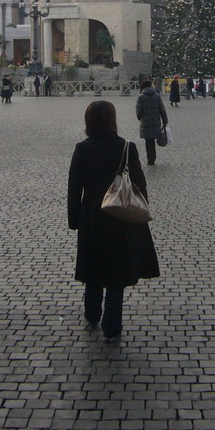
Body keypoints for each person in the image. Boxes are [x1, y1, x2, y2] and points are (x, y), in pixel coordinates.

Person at [67, 100, 159, 340]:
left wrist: (74, 218)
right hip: (119, 215)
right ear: (112, 120)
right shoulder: (126, 147)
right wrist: (140, 208)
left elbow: (74, 187)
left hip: (93, 216)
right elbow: (139, 182)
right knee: (117, 271)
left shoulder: (83, 148)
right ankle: (112, 323)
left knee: (94, 265)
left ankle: (92, 312)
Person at [135, 79, 168, 166]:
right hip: (155, 121)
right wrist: (165, 121)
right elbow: (162, 109)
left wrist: (139, 117)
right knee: (153, 140)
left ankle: (150, 160)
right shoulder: (157, 96)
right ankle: (153, 158)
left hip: (146, 122)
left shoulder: (141, 97)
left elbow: (139, 112)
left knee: (148, 142)